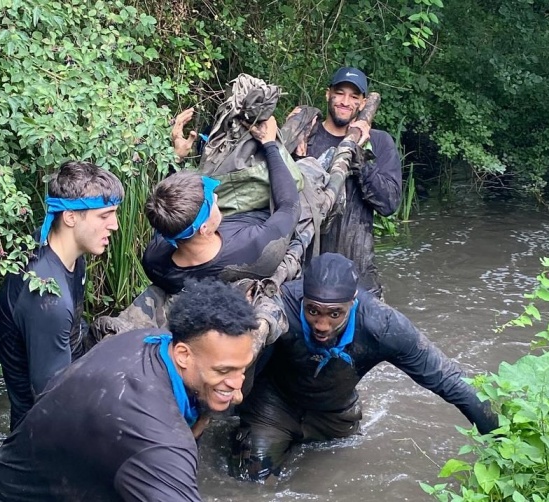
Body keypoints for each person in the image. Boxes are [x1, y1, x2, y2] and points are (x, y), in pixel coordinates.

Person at [0, 279, 259, 502]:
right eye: (223, 371)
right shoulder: (155, 438)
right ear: (184, 355)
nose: (238, 388)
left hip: (19, 471)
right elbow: (159, 445)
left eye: (241, 369)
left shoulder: (152, 340)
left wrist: (209, 405)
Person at [231, 253, 499, 481]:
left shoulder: (381, 326)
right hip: (274, 407)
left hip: (335, 415)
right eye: (313, 311)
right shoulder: (281, 306)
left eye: (335, 314)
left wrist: (503, 444)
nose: (322, 325)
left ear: (353, 302)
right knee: (251, 479)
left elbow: (450, 381)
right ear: (303, 300)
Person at [0, 160, 123, 430]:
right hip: (38, 432)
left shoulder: (69, 254)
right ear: (71, 217)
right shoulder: (47, 297)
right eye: (104, 215)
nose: (115, 226)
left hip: (69, 370)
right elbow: (51, 400)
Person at [141, 115, 300, 295]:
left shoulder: (154, 261)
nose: (216, 197)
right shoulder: (253, 247)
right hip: (264, 211)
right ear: (204, 228)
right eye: (211, 200)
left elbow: (164, 208)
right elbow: (289, 205)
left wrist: (175, 159)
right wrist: (269, 143)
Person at [296, 67, 403, 297]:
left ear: (363, 103)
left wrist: (361, 162)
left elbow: (390, 203)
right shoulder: (304, 136)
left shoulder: (379, 141)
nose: (345, 102)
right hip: (304, 268)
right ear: (328, 94)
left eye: (354, 96)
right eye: (340, 93)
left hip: (359, 273)